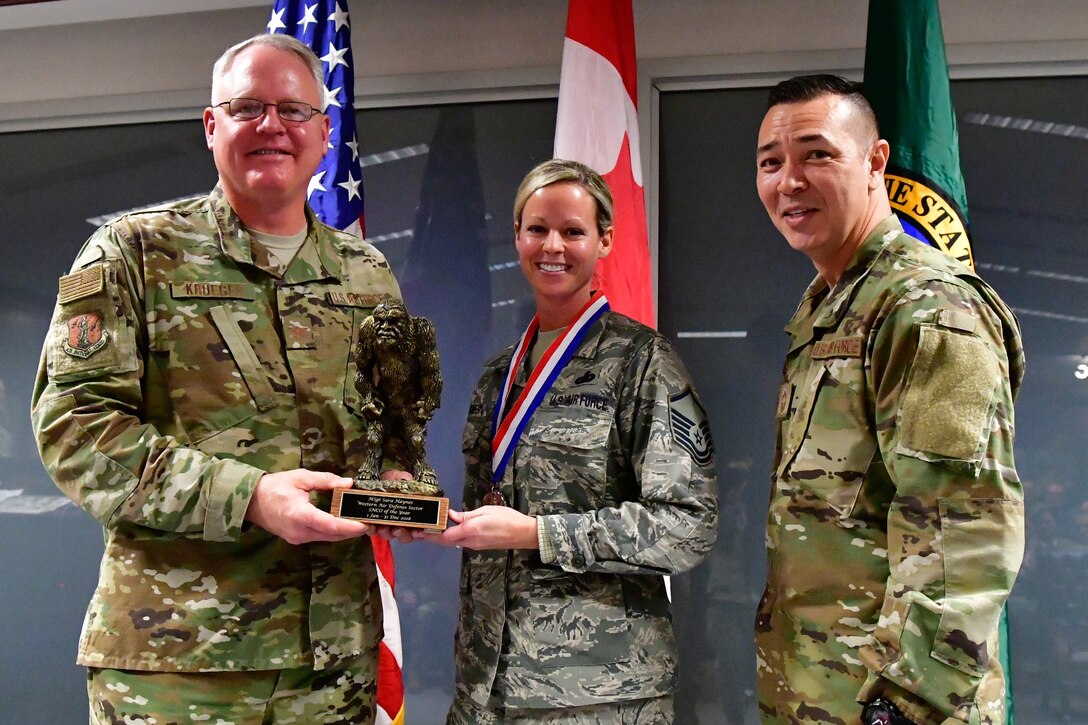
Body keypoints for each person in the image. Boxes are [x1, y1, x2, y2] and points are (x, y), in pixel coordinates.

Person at [31, 34, 401, 724]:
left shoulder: (367, 273)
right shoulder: (135, 252)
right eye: (248, 107)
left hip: (335, 665)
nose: (272, 127)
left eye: (293, 111)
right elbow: (76, 431)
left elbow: (387, 424)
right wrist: (249, 496)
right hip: (183, 666)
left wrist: (399, 485)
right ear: (211, 126)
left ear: (325, 132)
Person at [753, 74, 1025, 725]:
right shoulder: (828, 305)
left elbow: (965, 524)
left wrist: (907, 705)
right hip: (821, 693)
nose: (789, 181)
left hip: (895, 705)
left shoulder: (928, 307)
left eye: (816, 153)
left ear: (876, 161)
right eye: (771, 162)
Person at [414, 159, 718, 723]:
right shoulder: (498, 375)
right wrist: (431, 521)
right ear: (517, 236)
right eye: (537, 229)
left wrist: (539, 534)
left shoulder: (644, 364)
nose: (552, 245)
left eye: (573, 231)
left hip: (598, 694)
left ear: (604, 240)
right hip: (485, 687)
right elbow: (492, 513)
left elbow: (687, 526)